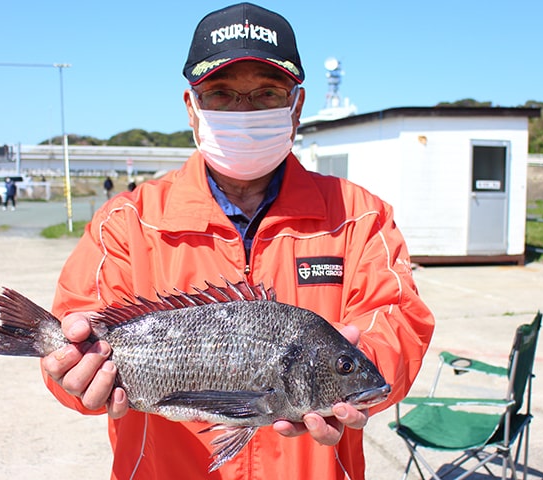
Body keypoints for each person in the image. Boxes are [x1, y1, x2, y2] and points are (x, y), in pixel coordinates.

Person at [40, 3, 434, 479]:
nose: (243, 111)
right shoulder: (125, 223)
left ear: (296, 107)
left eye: (267, 93)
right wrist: (72, 377)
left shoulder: (358, 215)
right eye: (221, 94)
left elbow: (399, 320)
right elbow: (73, 341)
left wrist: (359, 361)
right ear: (192, 107)